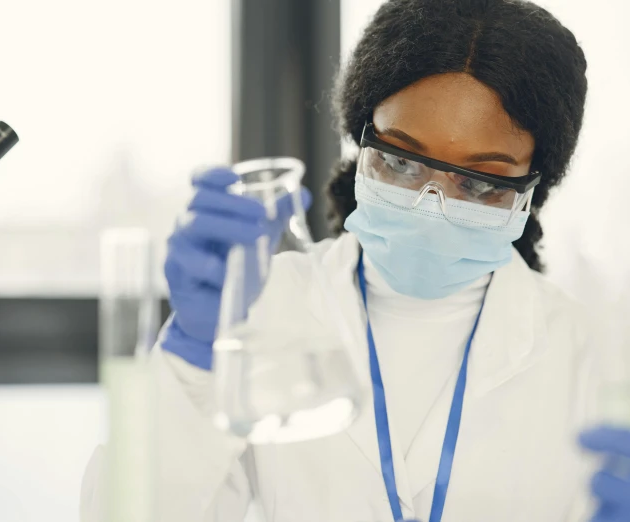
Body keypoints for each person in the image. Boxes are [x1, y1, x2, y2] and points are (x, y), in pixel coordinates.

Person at [152, 0, 630, 521]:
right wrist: (191, 360)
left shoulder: (595, 349)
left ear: (530, 190)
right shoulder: (264, 306)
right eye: (401, 160)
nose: (431, 203)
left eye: (479, 181)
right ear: (362, 141)